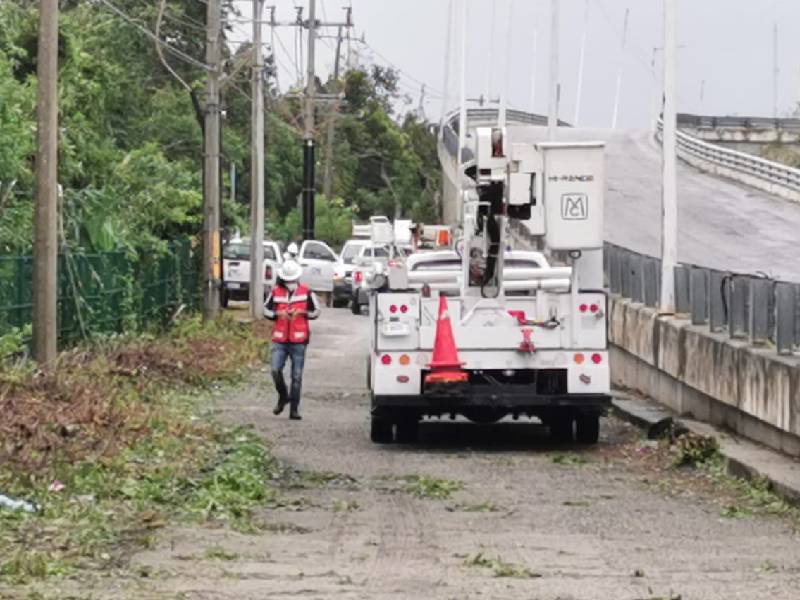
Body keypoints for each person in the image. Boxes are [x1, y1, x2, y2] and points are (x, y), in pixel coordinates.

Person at [263, 260, 320, 420]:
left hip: (299, 339)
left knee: (297, 376)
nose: (289, 282)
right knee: (275, 370)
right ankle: (283, 396)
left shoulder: (307, 292)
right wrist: (277, 315)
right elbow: (264, 309)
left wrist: (302, 312)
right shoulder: (275, 292)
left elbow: (316, 311)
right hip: (280, 338)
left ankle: (294, 409)